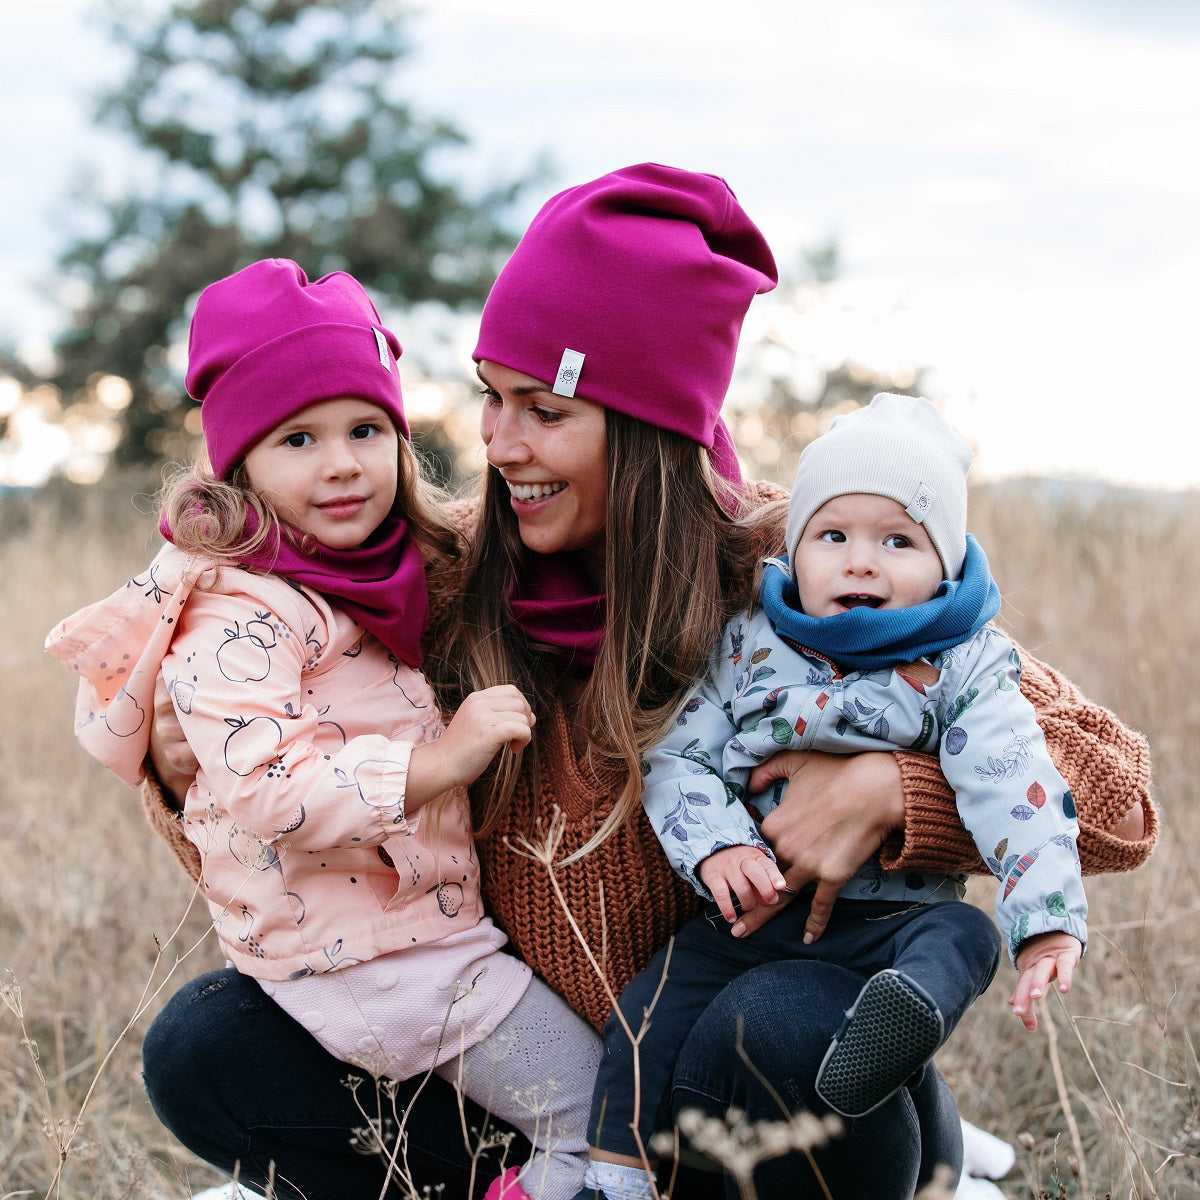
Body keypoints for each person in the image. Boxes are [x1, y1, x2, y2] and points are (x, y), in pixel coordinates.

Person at [129, 165, 1154, 1200]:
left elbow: (1121, 798)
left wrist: (898, 794)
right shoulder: (447, 586)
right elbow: (296, 838)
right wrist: (188, 778)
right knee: (208, 1044)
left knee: (777, 1026)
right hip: (550, 1090)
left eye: (545, 410)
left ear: (646, 426)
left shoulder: (803, 572)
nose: (498, 443)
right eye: (492, 397)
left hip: (753, 1085)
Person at [46, 259, 602, 1200]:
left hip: (399, 942)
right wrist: (440, 761)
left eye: (365, 428)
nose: (342, 462)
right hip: (387, 963)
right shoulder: (240, 614)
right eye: (297, 438)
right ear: (241, 469)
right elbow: (266, 790)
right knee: (595, 1119)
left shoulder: (377, 571)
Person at [580, 392, 1089, 1200]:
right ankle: (614, 1176)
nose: (860, 561)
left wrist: (1047, 922)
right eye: (834, 535)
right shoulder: (750, 642)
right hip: (761, 911)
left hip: (895, 922)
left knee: (961, 935)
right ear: (796, 549)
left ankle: (901, 1019)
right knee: (651, 1011)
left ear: (946, 565)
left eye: (897, 540)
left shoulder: (964, 665)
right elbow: (679, 753)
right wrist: (721, 845)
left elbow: (1019, 789)